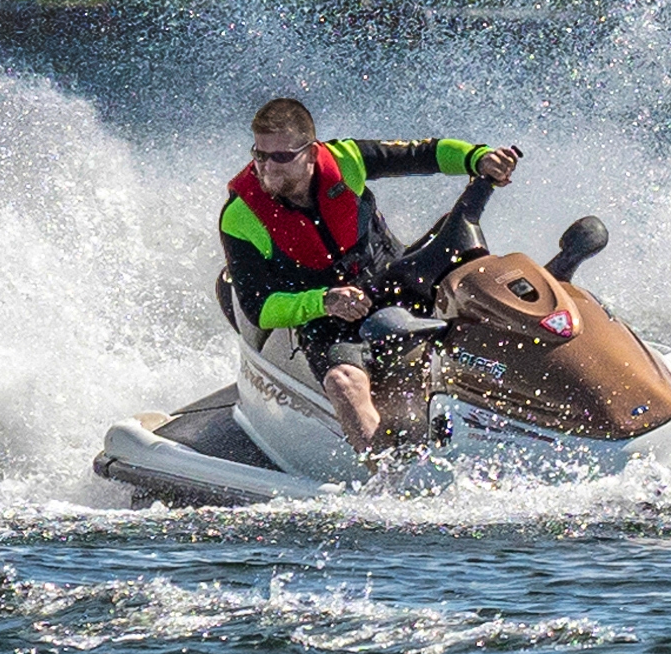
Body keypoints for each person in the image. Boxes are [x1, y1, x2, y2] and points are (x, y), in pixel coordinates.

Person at [219, 98, 518, 454]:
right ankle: (388, 481)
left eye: (281, 157)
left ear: (312, 153)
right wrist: (325, 302)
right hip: (324, 316)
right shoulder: (241, 216)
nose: (267, 167)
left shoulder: (346, 159)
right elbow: (260, 308)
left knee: (473, 293)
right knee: (343, 382)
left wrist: (477, 158)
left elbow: (423, 154)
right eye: (260, 154)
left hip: (392, 279)